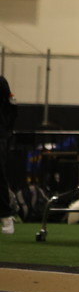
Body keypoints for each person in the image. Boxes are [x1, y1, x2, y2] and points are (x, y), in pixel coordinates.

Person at [0, 75, 17, 235]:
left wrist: (6, 131)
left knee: (0, 176)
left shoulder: (1, 82)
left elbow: (12, 106)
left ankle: (6, 216)